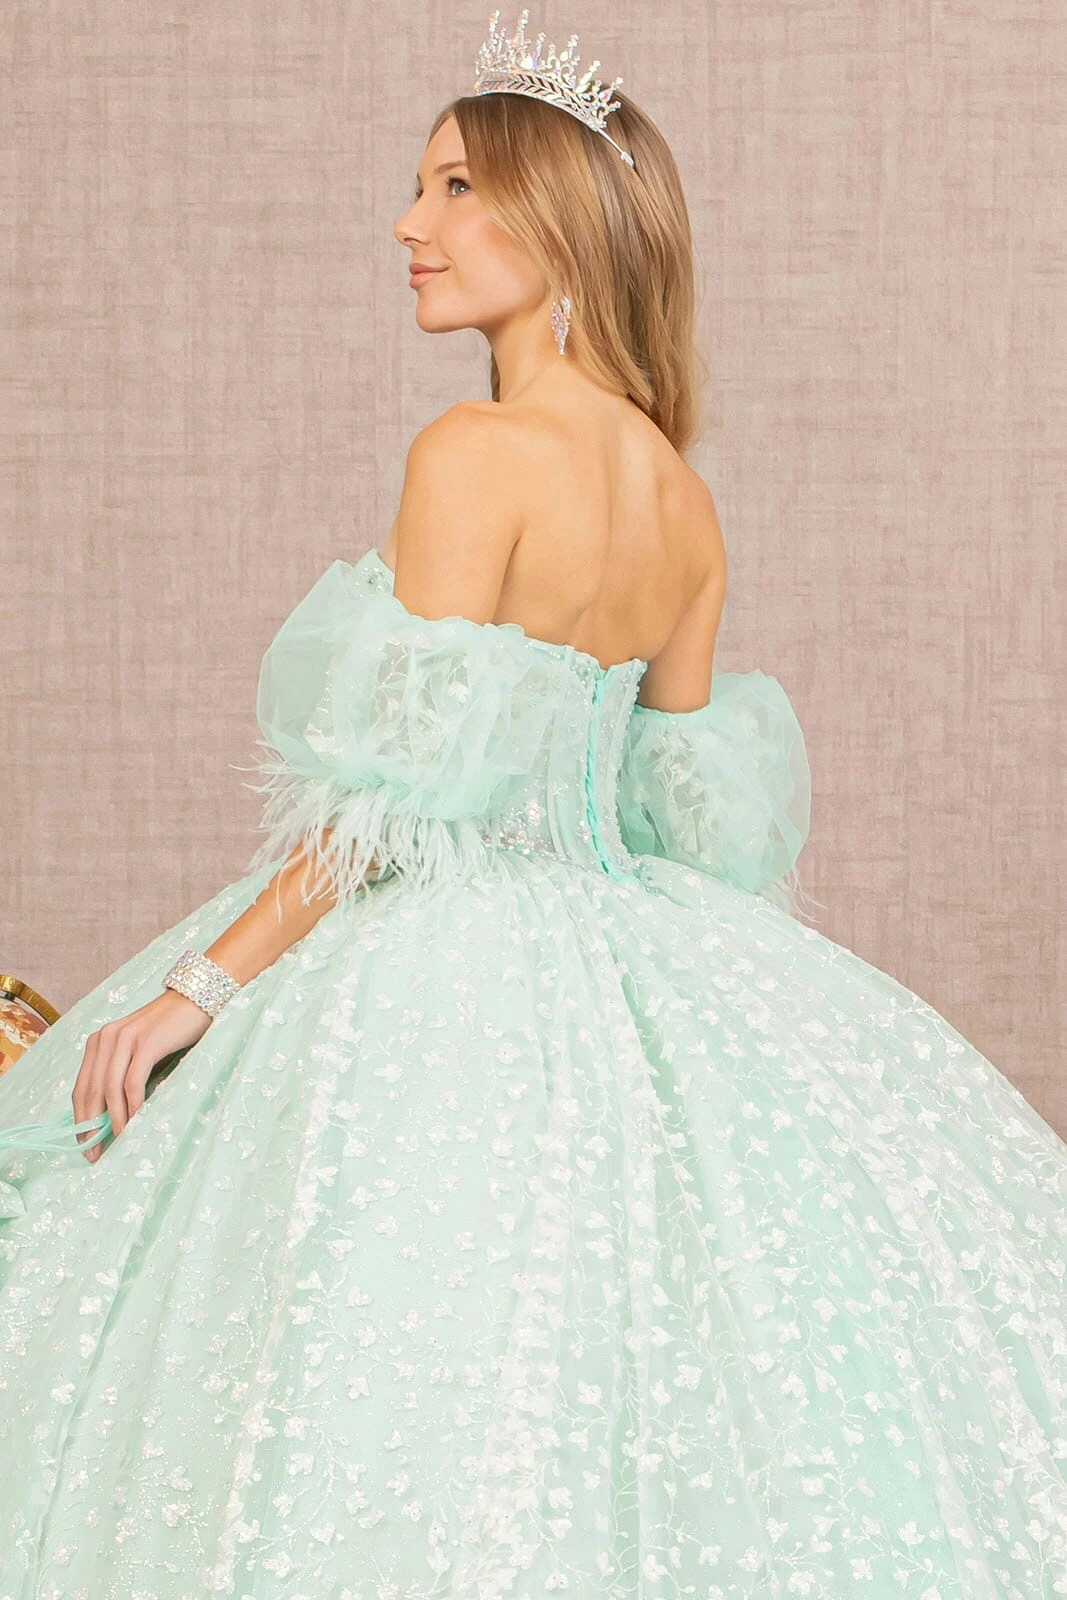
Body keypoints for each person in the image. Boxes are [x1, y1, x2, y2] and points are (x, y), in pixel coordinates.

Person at [1, 10, 1065, 1597]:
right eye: (418, 186)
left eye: (454, 188)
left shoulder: (475, 452)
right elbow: (686, 818)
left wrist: (196, 990)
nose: (408, 226)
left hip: (443, 952)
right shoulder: (679, 493)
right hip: (638, 941)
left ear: (555, 228)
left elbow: (394, 799)